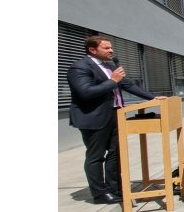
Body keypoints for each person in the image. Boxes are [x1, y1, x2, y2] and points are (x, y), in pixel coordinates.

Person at [68, 36, 165, 204]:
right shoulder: (79, 67)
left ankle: (115, 189)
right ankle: (100, 194)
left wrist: (152, 97)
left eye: (111, 47)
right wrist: (113, 81)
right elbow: (86, 92)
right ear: (92, 50)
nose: (111, 50)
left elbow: (127, 85)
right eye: (106, 48)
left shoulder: (110, 65)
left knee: (115, 154)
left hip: (115, 115)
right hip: (94, 118)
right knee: (96, 156)